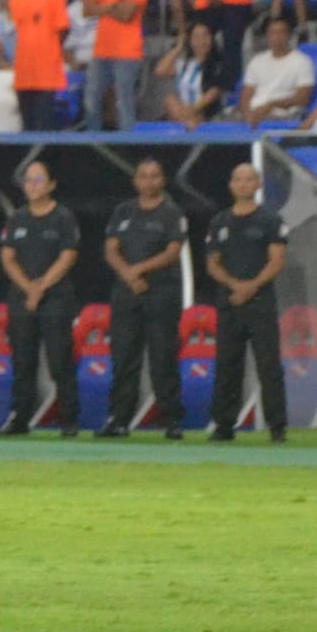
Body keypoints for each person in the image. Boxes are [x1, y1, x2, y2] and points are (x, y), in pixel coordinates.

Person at [98, 158, 187, 439]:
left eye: (154, 176)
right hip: (126, 294)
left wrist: (140, 270)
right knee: (124, 357)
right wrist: (128, 274)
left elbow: (173, 250)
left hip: (161, 292)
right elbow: (111, 248)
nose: (148, 181)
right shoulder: (123, 211)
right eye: (143, 176)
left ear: (162, 180)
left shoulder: (171, 212)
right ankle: (119, 420)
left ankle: (171, 421)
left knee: (163, 357)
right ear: (135, 181)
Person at [206, 163, 289, 444]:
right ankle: (224, 425)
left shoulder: (271, 221)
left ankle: (277, 427)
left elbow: (276, 260)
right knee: (227, 364)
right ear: (231, 185)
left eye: (249, 179)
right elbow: (212, 264)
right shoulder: (219, 221)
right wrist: (235, 286)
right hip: (229, 301)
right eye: (238, 179)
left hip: (260, 301)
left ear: (258, 184)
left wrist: (251, 287)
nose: (243, 184)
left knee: (268, 365)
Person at [0, 161, 80, 437]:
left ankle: (69, 419)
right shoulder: (16, 218)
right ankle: (20, 417)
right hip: (22, 298)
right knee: (22, 361)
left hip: (55, 298)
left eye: (39, 179)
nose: (32, 185)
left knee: (60, 359)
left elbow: (67, 256)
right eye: (28, 180)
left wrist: (41, 287)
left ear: (52, 185)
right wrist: (28, 288)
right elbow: (7, 258)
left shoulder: (63, 218)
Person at [83, 0, 152, 132]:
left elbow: (126, 14)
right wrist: (112, 6)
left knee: (124, 101)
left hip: (127, 52)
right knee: (91, 98)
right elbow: (87, 10)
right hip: (102, 50)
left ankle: (127, 142)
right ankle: (93, 140)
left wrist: (102, 7)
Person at [8, 0, 69, 131]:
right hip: (24, 71)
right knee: (27, 124)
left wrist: (49, 51)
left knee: (45, 123)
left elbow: (63, 29)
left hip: (46, 72)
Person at [239, 17, 315, 127]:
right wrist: (248, 114)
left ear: (289, 36)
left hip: (282, 114)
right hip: (254, 112)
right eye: (272, 33)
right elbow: (246, 95)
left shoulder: (302, 61)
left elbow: (303, 98)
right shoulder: (257, 61)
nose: (276, 37)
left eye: (281, 32)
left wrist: (271, 105)